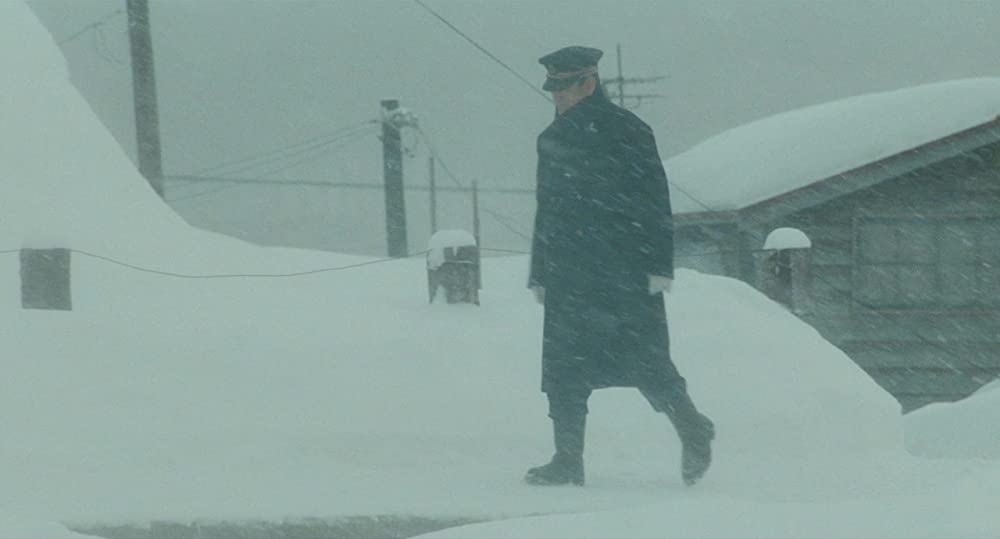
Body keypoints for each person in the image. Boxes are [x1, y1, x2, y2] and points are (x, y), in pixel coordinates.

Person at [526, 45, 715, 487]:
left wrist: (658, 264)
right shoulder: (550, 138)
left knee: (646, 362)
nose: (555, 95)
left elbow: (653, 200)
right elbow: (547, 209)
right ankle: (568, 459)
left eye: (563, 86)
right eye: (551, 87)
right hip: (570, 271)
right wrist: (541, 269)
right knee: (563, 367)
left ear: (588, 82)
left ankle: (693, 429)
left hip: (623, 270)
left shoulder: (629, 130)